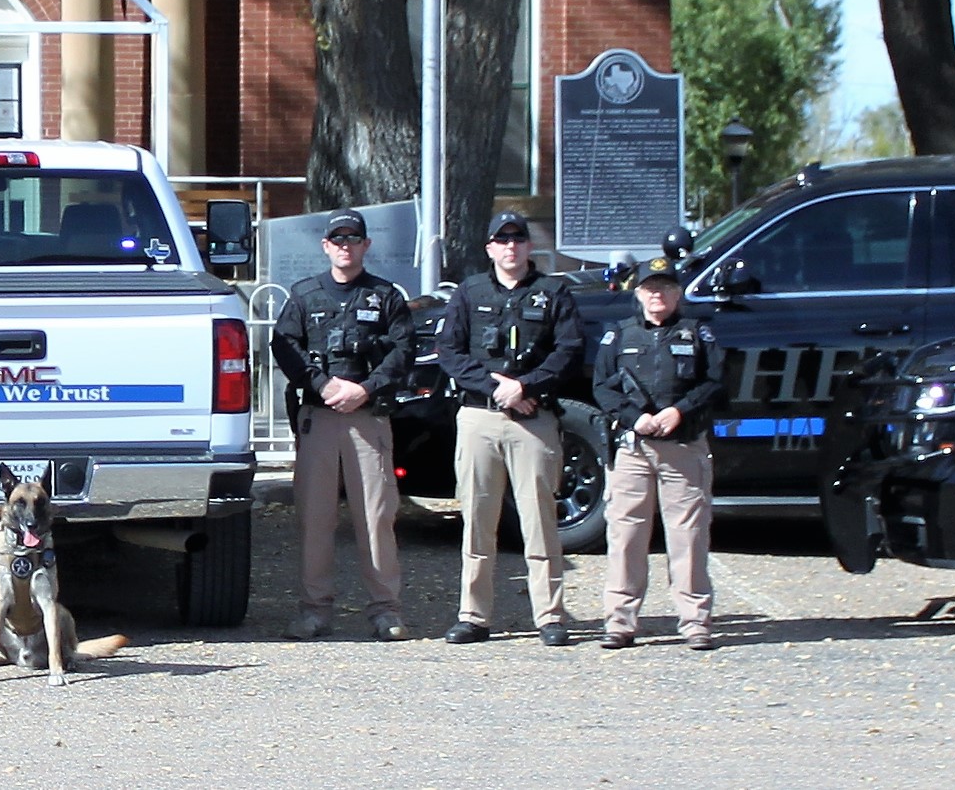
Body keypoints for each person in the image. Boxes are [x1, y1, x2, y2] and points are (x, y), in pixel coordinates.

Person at [437, 209, 586, 645]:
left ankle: (551, 616)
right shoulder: (469, 292)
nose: (510, 247)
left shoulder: (553, 293)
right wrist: (494, 386)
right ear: (489, 247)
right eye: (502, 240)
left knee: (539, 519)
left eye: (518, 239)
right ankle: (474, 616)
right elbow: (449, 350)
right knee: (478, 520)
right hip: (480, 418)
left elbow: (569, 350)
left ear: (528, 246)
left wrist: (525, 386)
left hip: (532, 419)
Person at [272, 209, 414, 640]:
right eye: (338, 240)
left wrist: (366, 388)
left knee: (376, 516)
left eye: (354, 239)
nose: (345, 246)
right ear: (326, 246)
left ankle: (385, 611)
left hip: (367, 419)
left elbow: (404, 350)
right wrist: (321, 383)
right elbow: (284, 344)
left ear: (366, 246)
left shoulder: (385, 297)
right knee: (315, 520)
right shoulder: (304, 296)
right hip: (320, 416)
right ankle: (315, 611)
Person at [593, 258, 727, 649]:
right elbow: (603, 388)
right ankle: (619, 622)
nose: (658, 294)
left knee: (688, 536)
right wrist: (634, 418)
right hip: (634, 449)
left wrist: (678, 410)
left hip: (683, 447)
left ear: (677, 293)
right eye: (650, 288)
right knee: (626, 536)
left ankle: (695, 621)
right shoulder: (618, 336)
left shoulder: (698, 334)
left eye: (666, 287)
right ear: (637, 293)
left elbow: (715, 382)